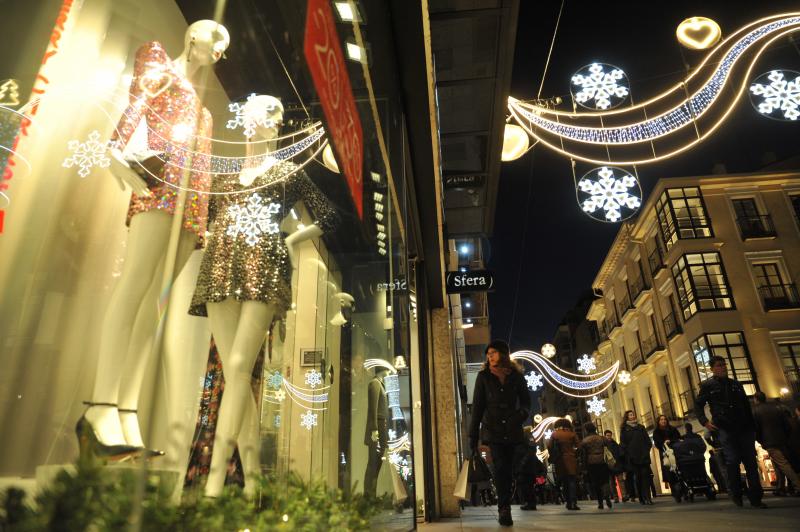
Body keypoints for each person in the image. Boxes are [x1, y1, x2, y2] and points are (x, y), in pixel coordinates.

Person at [469, 340, 531, 527]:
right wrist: (473, 436)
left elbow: (526, 402)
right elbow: (478, 407)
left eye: (494, 352)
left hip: (512, 428)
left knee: (510, 469)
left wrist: (521, 415)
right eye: (488, 353)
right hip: (493, 429)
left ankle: (506, 501)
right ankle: (504, 508)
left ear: (504, 354)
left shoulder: (516, 376)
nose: (490, 355)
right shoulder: (483, 377)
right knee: (500, 467)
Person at [695, 356, 766, 508]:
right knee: (732, 462)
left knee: (751, 463)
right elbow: (698, 405)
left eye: (724, 365)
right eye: (719, 365)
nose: (723, 367)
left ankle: (756, 498)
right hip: (725, 428)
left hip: (744, 427)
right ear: (712, 368)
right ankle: (736, 495)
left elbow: (746, 406)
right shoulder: (708, 385)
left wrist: (753, 427)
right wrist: (705, 422)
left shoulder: (735, 384)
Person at [753, 392, 800, 495]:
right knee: (778, 463)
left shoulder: (755, 410)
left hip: (769, 441)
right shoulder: (776, 407)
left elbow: (756, 429)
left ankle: (797, 486)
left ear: (756, 399)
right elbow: (787, 425)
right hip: (782, 440)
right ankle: (780, 487)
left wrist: (761, 441)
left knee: (783, 464)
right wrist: (785, 436)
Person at [620, 410, 654, 505]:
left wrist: (646, 451)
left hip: (644, 457)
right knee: (638, 478)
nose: (632, 416)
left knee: (646, 477)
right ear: (627, 417)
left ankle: (648, 497)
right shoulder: (624, 429)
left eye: (633, 414)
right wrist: (628, 455)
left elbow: (648, 441)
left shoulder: (641, 427)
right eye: (630, 415)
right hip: (633, 459)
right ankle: (642, 497)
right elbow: (623, 444)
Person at [548, 418, 580, 510]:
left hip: (560, 460)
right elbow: (579, 446)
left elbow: (550, 446)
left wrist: (553, 455)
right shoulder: (572, 433)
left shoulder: (554, 434)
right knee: (572, 481)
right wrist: (575, 454)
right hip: (571, 459)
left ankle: (568, 502)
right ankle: (574, 502)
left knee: (564, 482)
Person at [579, 422, 612, 509]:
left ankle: (600, 503)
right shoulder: (602, 438)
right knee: (605, 481)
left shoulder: (585, 441)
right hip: (602, 461)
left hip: (591, 463)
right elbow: (609, 447)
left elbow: (583, 455)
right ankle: (607, 496)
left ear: (586, 430)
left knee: (596, 483)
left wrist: (584, 467)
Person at [516, 426, 546, 510]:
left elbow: (532, 448)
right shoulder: (520, 436)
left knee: (527, 483)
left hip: (528, 464)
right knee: (524, 483)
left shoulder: (526, 435)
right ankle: (529, 502)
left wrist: (524, 461)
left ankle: (531, 503)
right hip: (524, 463)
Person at [652, 414, 681, 494]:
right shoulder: (656, 432)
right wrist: (663, 444)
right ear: (658, 422)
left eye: (664, 419)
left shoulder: (672, 429)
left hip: (675, 451)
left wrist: (670, 441)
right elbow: (657, 443)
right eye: (661, 419)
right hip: (665, 454)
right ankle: (675, 491)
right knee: (669, 472)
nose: (663, 421)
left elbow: (678, 437)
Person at [604, 429, 625, 502]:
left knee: (620, 481)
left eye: (610, 435)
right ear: (605, 436)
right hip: (609, 467)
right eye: (607, 436)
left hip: (617, 465)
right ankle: (615, 497)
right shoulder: (604, 445)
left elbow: (619, 454)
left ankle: (624, 496)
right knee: (612, 483)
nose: (609, 437)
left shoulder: (615, 444)